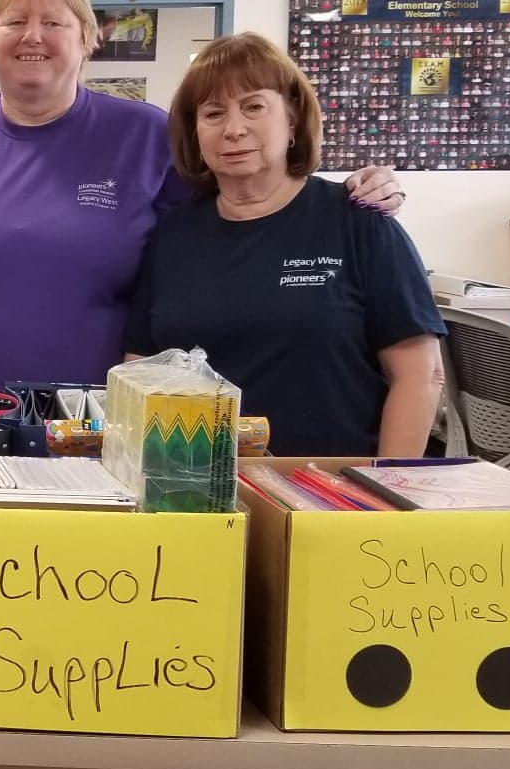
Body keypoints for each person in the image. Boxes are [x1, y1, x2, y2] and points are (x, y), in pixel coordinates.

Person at [0, 0, 404, 453]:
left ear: (88, 38)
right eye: (14, 21)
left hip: (86, 436)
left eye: (53, 22)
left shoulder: (146, 137)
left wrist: (344, 193)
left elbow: (246, 204)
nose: (32, 36)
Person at [124, 34, 444, 457]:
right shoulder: (172, 235)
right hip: (194, 481)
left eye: (254, 107)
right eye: (213, 113)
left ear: (292, 120)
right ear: (195, 132)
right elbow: (140, 366)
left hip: (329, 484)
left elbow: (421, 374)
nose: (233, 129)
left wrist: (387, 482)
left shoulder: (358, 221)